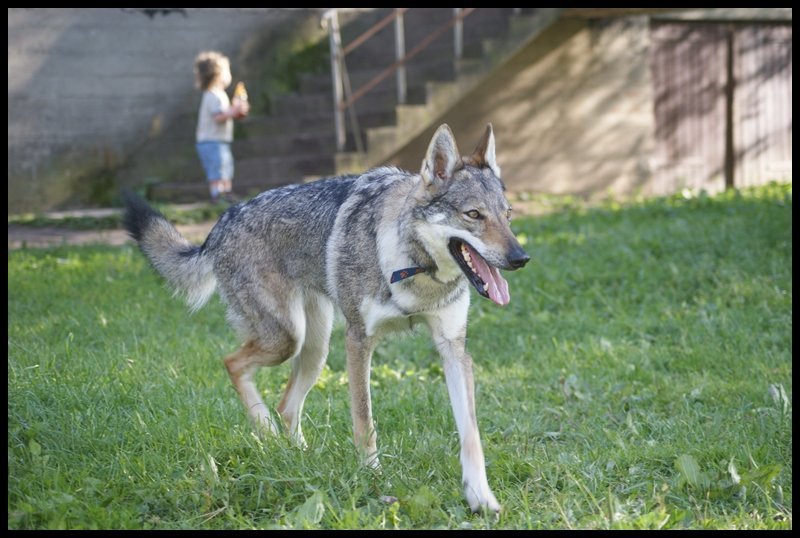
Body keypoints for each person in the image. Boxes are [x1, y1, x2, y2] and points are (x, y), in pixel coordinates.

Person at [193, 51, 249, 204]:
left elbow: (225, 114)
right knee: (217, 168)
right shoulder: (214, 95)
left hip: (218, 140)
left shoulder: (219, 94)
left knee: (225, 166)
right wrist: (234, 111)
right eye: (227, 71)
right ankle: (217, 195)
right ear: (217, 75)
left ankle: (226, 192)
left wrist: (235, 111)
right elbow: (218, 117)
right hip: (211, 141)